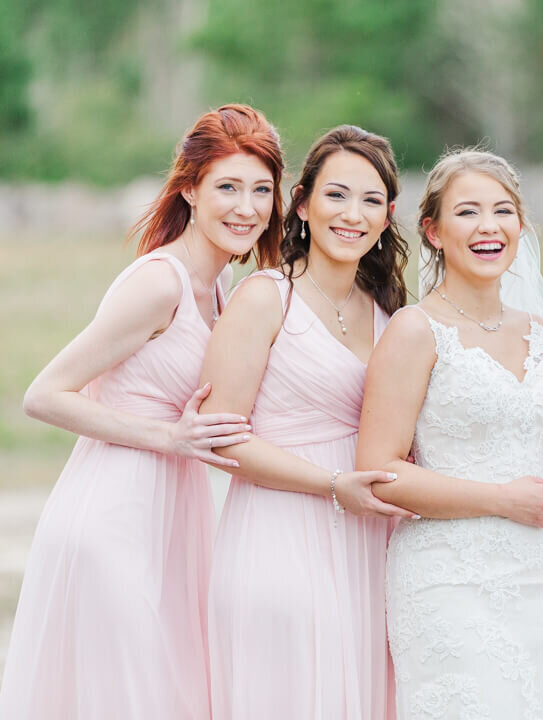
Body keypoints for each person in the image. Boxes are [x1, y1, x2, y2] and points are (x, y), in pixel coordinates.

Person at [0, 104, 282, 719]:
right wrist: (168, 437)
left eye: (262, 190)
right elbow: (45, 394)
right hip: (114, 515)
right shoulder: (160, 283)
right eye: (228, 187)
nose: (248, 207)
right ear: (189, 188)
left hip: (176, 515)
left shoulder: (221, 289)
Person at [355, 148, 543, 719]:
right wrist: (501, 500)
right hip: (451, 580)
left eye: (503, 211)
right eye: (468, 212)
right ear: (433, 231)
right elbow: (380, 472)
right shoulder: (416, 331)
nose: (489, 226)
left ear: (520, 227)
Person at [198, 126, 411, 719]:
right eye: (337, 195)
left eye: (371, 201)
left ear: (389, 216)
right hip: (280, 537)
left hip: (373, 548)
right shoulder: (266, 298)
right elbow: (221, 437)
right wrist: (332, 486)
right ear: (301, 203)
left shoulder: (393, 313)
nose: (353, 215)